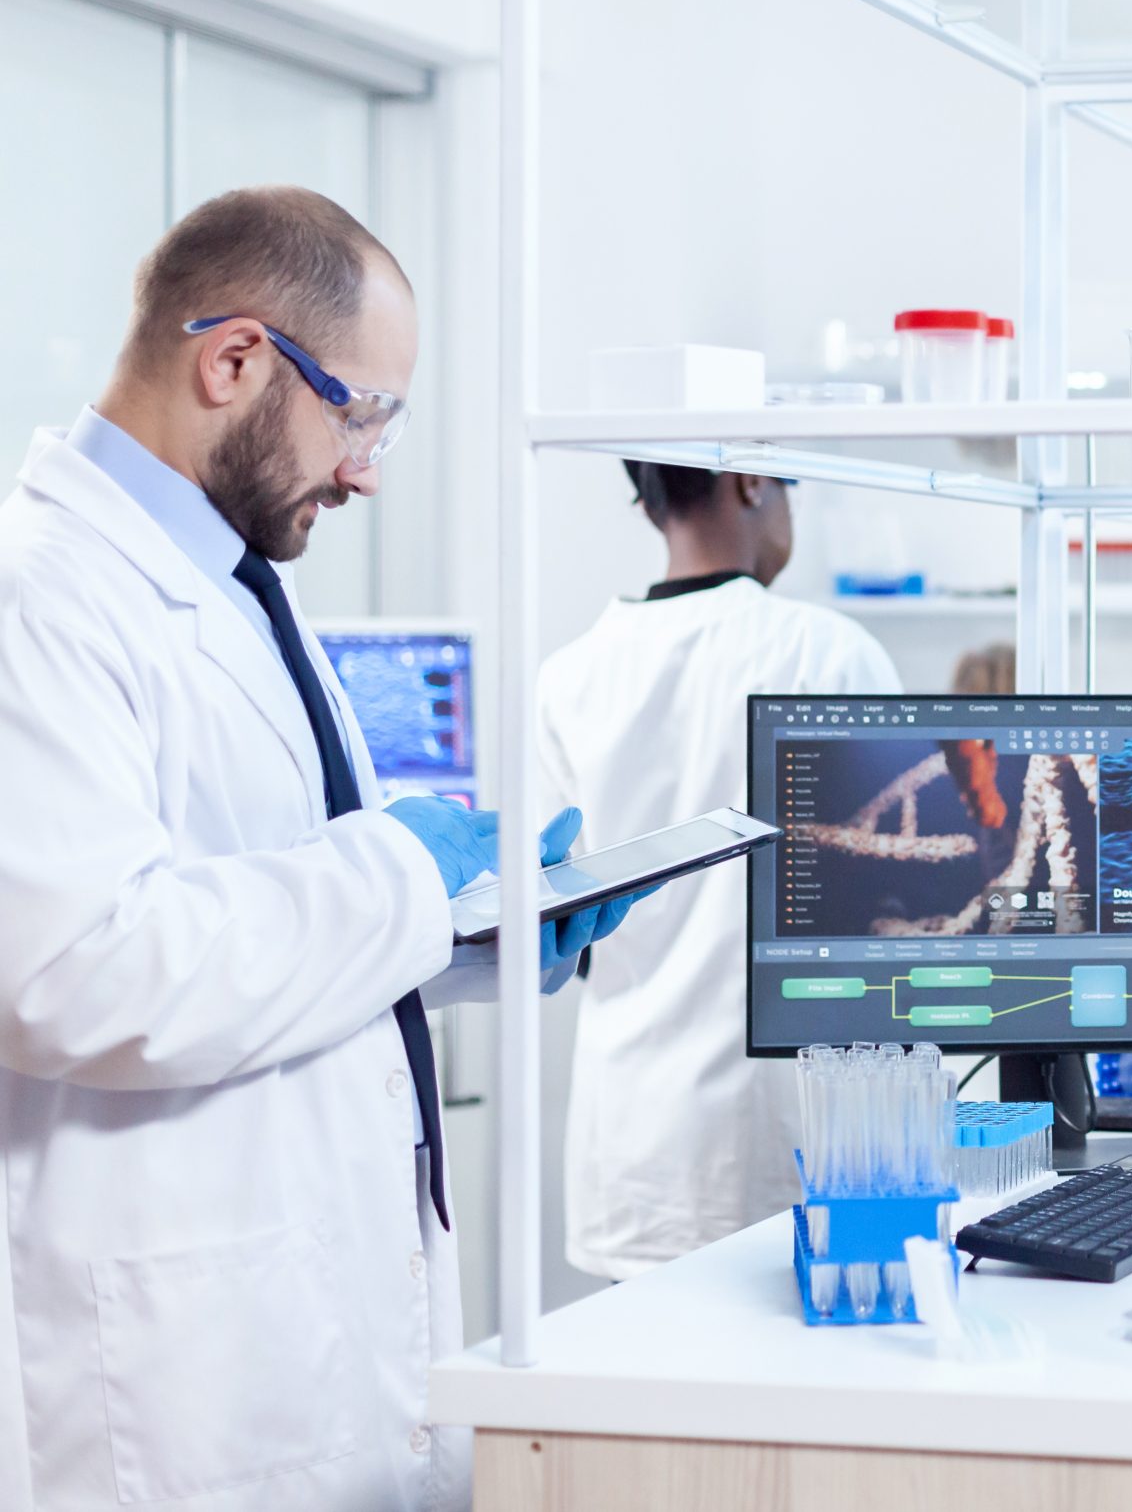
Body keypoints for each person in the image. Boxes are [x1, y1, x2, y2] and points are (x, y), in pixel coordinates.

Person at [0, 187, 642, 1512]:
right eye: (360, 413)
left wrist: (460, 934)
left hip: (314, 1318)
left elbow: (271, 912)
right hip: (180, 1374)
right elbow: (69, 965)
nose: (366, 467)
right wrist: (405, 872)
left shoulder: (246, 585)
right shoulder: (38, 594)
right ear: (235, 360)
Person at [540, 462, 900, 1281]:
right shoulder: (827, 652)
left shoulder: (567, 677)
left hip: (632, 1152)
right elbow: (891, 921)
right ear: (747, 481)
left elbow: (563, 928)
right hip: (779, 1142)